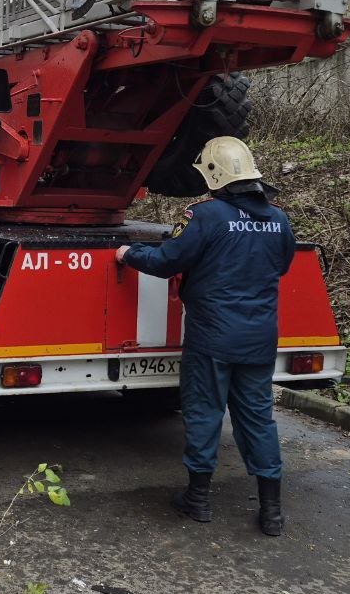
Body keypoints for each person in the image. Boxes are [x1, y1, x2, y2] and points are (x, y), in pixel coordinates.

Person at [116, 136, 296, 536]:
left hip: (212, 337)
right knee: (257, 419)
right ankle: (272, 511)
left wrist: (128, 255)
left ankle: (197, 499)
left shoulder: (206, 216)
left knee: (204, 412)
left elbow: (168, 260)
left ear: (214, 175)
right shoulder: (278, 219)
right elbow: (281, 266)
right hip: (259, 339)